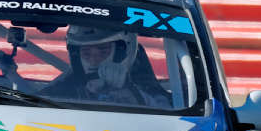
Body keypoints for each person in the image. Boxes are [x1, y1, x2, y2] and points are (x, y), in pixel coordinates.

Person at [43, 24, 171, 108]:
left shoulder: (151, 95)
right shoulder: (59, 91)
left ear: (122, 52)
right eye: (86, 53)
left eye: (103, 52)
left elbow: (165, 113)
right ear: (76, 57)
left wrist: (127, 90)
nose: (93, 61)